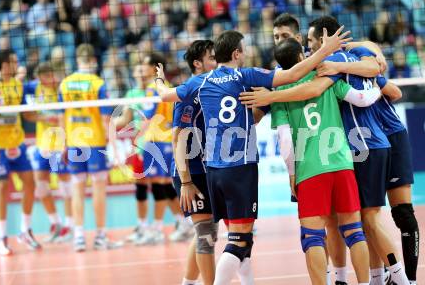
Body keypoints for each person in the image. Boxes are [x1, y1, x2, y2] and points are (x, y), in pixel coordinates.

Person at [155, 28, 350, 284]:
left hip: (214, 170)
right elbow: (294, 73)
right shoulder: (246, 76)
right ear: (237, 54)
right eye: (244, 50)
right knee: (239, 240)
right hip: (240, 167)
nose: (246, 54)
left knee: (236, 236)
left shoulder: (199, 82)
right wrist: (326, 51)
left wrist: (159, 80)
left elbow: (165, 95)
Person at [308, 16, 410, 285]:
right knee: (365, 220)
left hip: (364, 146)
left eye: (310, 41)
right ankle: (378, 279)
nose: (308, 47)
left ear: (323, 38)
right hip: (369, 144)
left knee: (370, 218)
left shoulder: (335, 63)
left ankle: (401, 279)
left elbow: (375, 70)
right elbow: (374, 67)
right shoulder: (355, 56)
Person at [271, 38, 376, 285]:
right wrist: (379, 88)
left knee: (312, 237)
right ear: (301, 58)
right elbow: (361, 98)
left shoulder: (280, 93)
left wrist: (291, 174)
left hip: (310, 169)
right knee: (354, 231)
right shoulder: (326, 77)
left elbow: (285, 141)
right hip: (341, 163)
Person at [167, 39, 218, 285]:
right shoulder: (190, 91)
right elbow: (177, 138)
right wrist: (186, 180)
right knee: (205, 233)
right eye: (211, 58)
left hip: (208, 168)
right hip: (190, 170)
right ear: (197, 64)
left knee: (207, 232)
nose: (217, 62)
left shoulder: (215, 86)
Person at [59, 44, 118, 252]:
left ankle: (79, 236)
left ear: (77, 59)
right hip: (94, 142)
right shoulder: (98, 83)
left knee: (77, 187)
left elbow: (61, 116)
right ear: (93, 60)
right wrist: (112, 145)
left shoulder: (65, 84)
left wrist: (64, 142)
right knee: (98, 188)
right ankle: (100, 235)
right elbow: (105, 118)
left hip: (74, 141)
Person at [0, 49, 40, 255]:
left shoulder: (19, 86)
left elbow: (28, 114)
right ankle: (1, 238)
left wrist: (47, 116)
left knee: (30, 184)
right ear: (3, 65)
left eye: (17, 61)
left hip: (17, 143)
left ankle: (24, 231)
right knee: (1, 188)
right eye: (13, 62)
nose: (17, 65)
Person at [135, 53, 190, 245]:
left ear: (154, 68)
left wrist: (136, 141)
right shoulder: (165, 86)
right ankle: (183, 222)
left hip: (158, 141)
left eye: (144, 64)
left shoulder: (153, 89)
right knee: (164, 186)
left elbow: (146, 116)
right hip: (164, 140)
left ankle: (157, 229)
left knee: (159, 185)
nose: (141, 68)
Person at [24, 62, 73, 243]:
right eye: (47, 77)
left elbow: (67, 116)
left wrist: (66, 144)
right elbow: (27, 115)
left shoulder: (63, 90)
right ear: (40, 78)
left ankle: (70, 226)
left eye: (53, 76)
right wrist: (44, 117)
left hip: (60, 144)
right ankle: (56, 223)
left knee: (66, 187)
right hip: (42, 144)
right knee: (41, 186)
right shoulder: (33, 89)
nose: (52, 80)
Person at [114, 64, 150, 244]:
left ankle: (182, 222)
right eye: (138, 70)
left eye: (144, 70)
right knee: (141, 187)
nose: (141, 74)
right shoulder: (131, 94)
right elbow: (125, 119)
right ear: (134, 73)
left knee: (165, 186)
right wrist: (107, 122)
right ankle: (142, 225)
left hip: (158, 143)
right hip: (140, 146)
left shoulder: (156, 91)